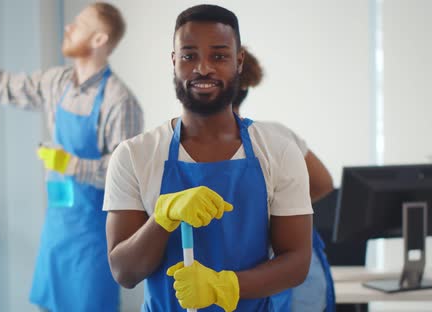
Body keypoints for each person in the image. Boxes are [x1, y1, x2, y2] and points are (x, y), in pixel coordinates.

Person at [0, 3, 143, 311]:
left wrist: (71, 165)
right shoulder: (55, 83)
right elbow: (0, 85)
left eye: (80, 24)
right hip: (56, 235)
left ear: (99, 39)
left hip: (94, 242)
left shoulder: (118, 101)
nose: (68, 28)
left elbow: (125, 175)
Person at [103, 5, 312, 311]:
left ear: (238, 61)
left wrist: (223, 286)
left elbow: (296, 262)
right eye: (189, 55)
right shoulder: (134, 155)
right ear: (174, 62)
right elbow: (125, 272)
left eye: (219, 55)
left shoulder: (278, 151)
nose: (203, 68)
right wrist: (162, 219)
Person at [233, 47, 336, 312]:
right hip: (297, 271)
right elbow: (323, 182)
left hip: (278, 271)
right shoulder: (277, 134)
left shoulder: (268, 138)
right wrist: (286, 211)